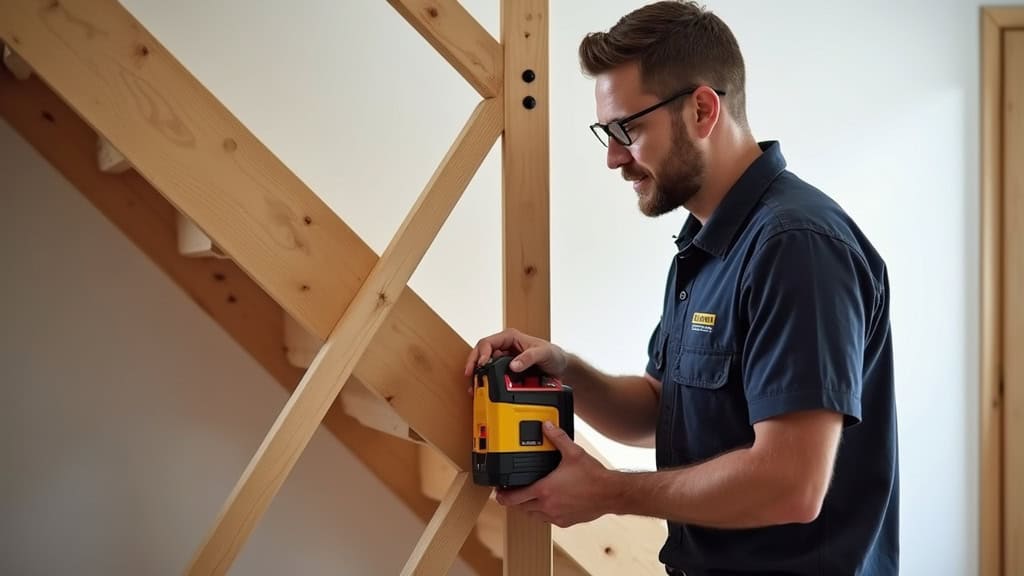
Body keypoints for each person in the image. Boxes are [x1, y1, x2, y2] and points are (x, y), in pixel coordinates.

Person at [463, 1, 898, 575]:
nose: (615, 158)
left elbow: (792, 483)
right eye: (607, 134)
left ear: (701, 109)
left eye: (629, 129)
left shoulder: (795, 245)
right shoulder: (705, 245)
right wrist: (563, 368)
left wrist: (612, 492)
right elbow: (660, 412)